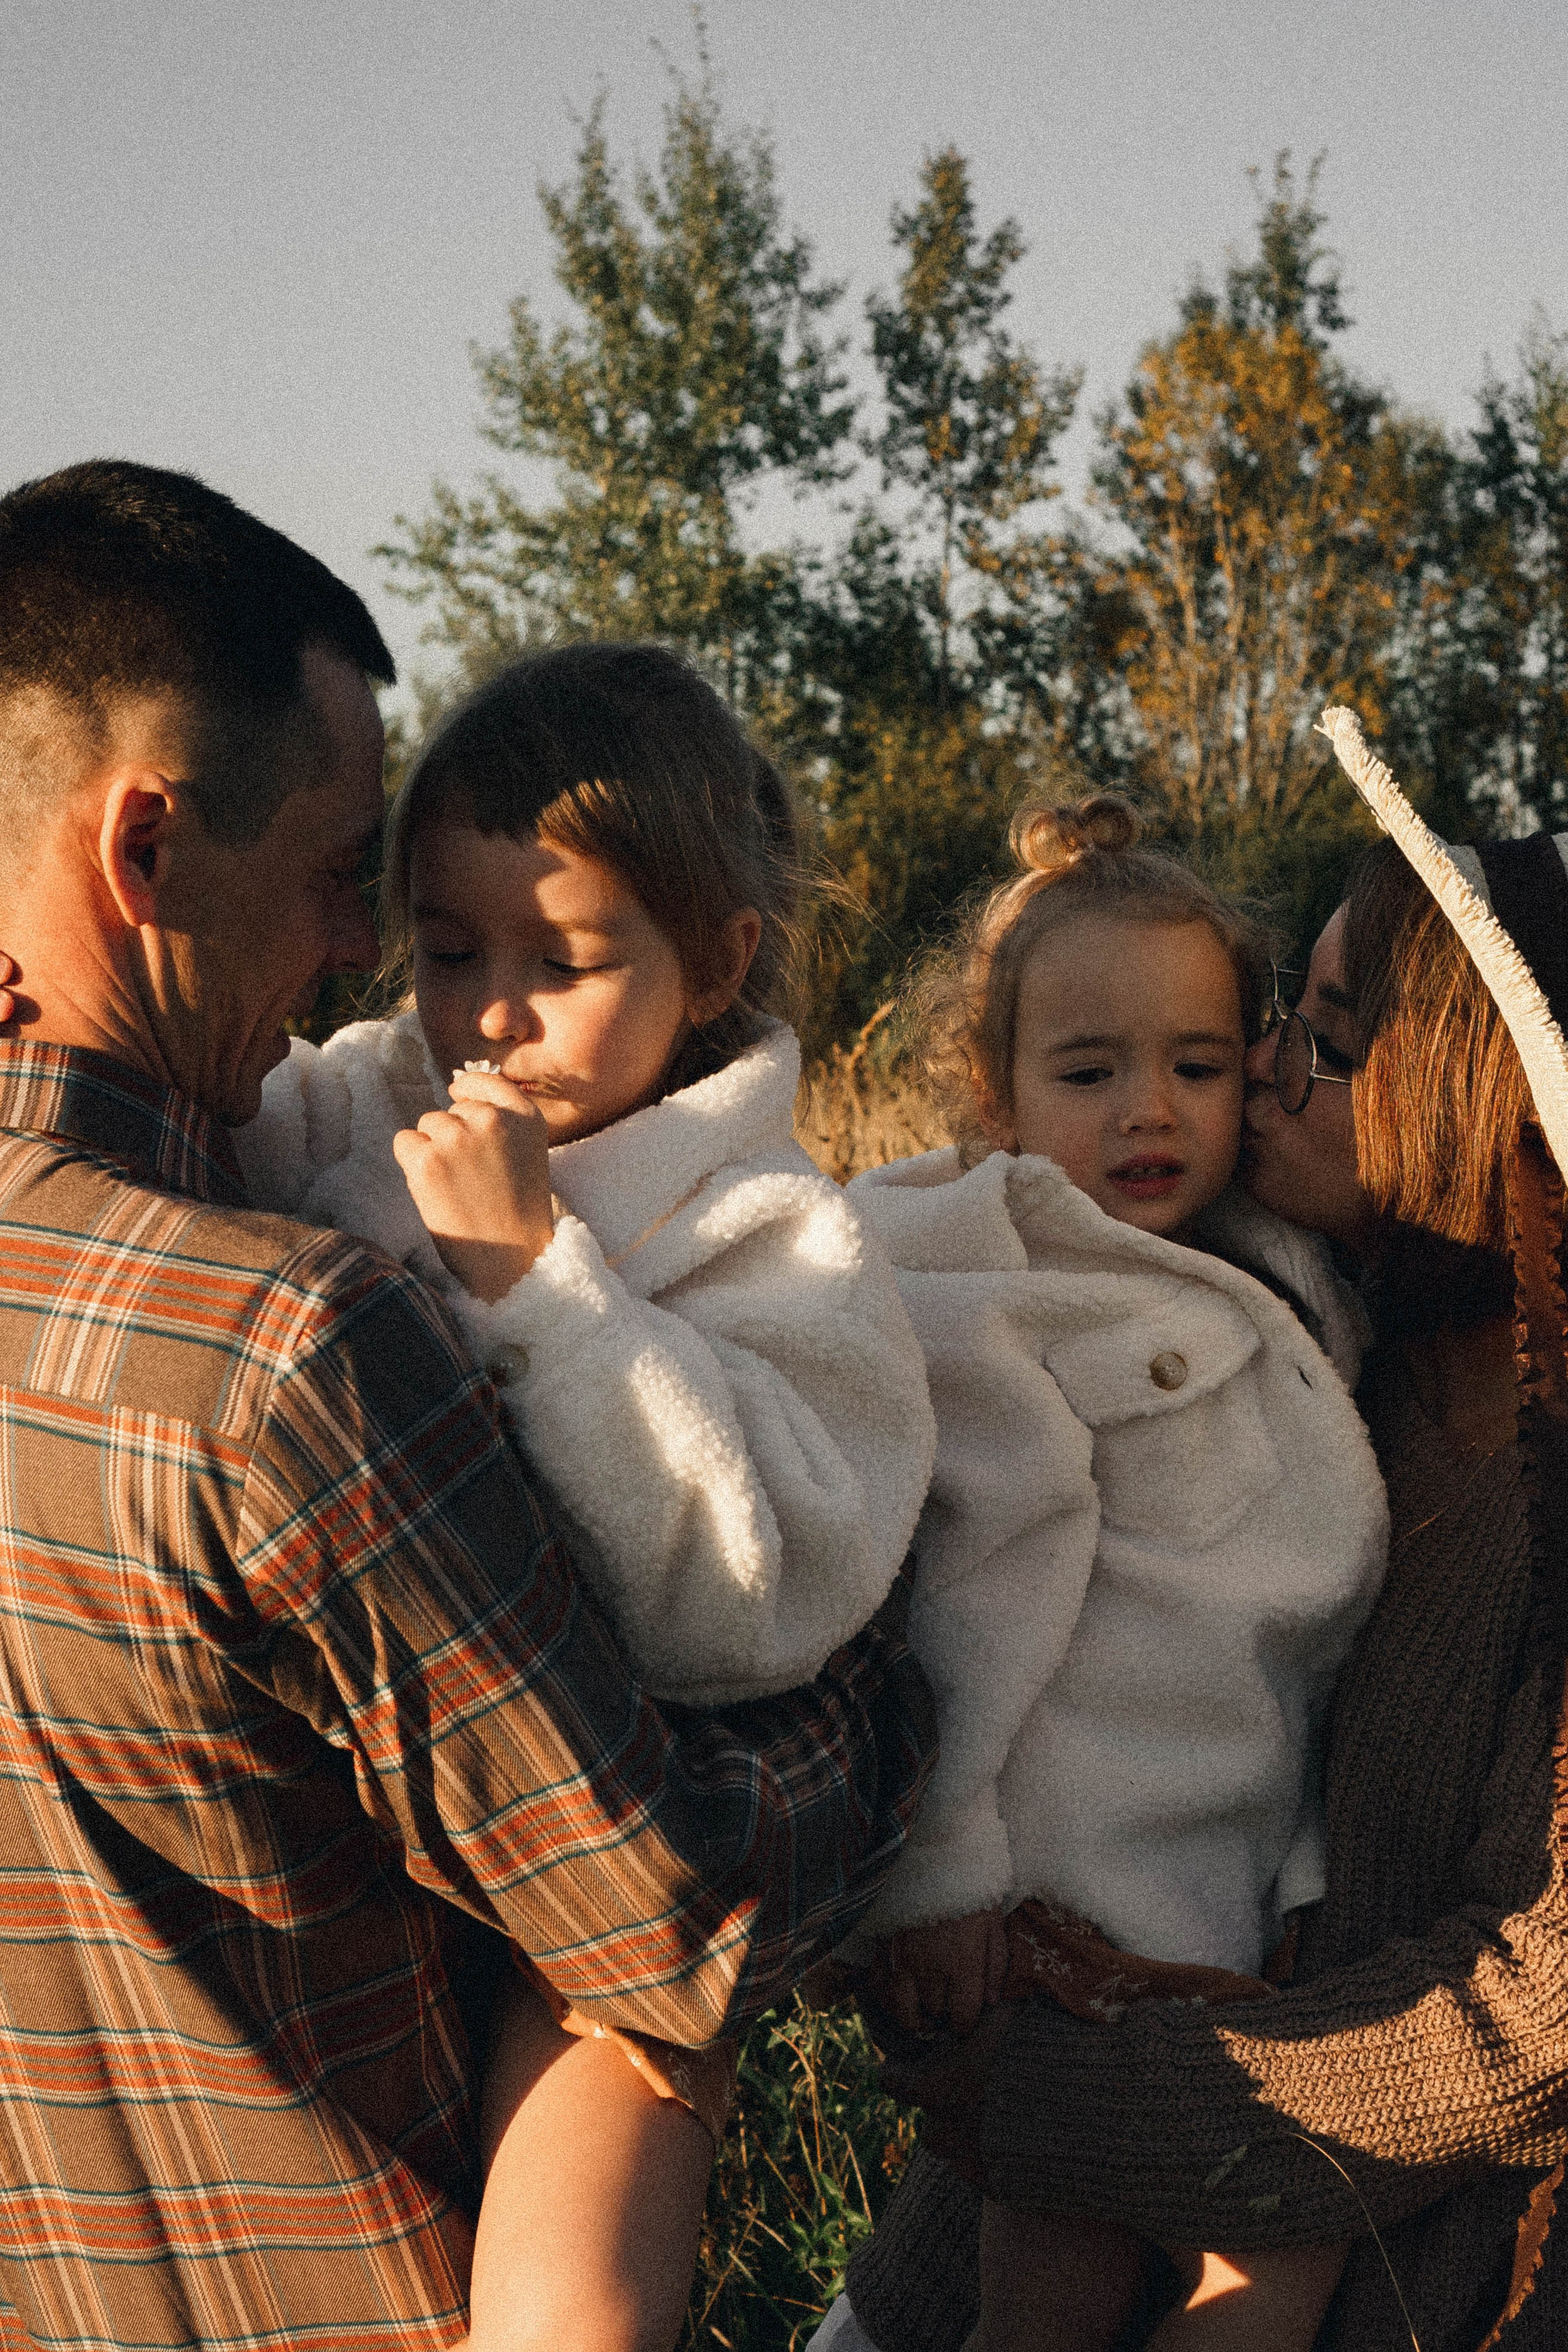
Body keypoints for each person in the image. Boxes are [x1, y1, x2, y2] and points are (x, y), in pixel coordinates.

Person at [0, 459, 935, 2352]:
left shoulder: (227, 1221)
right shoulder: (281, 1348)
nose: (362, 959)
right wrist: (898, 1686)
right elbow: (665, 1913)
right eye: (353, 886)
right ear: (146, 850)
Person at [826, 711, 1568, 2351]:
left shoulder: (1513, 1455)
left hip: (1348, 2238)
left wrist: (1078, 2098)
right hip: (1034, 2173)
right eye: (1275, 1032)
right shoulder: (1294, 1315)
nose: (1259, 1084)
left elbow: (1539, 2009)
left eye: (1313, 1038)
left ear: (1463, 1087)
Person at [230, 641, 938, 2351]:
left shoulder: (773, 1236)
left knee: (572, 2311)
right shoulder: (362, 1102)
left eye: (568, 961)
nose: (492, 1015)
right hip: (359, 1817)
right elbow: (197, 1130)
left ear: (714, 962)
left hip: (599, 1887)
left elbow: (752, 1595)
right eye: (451, 951)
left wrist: (539, 1291)